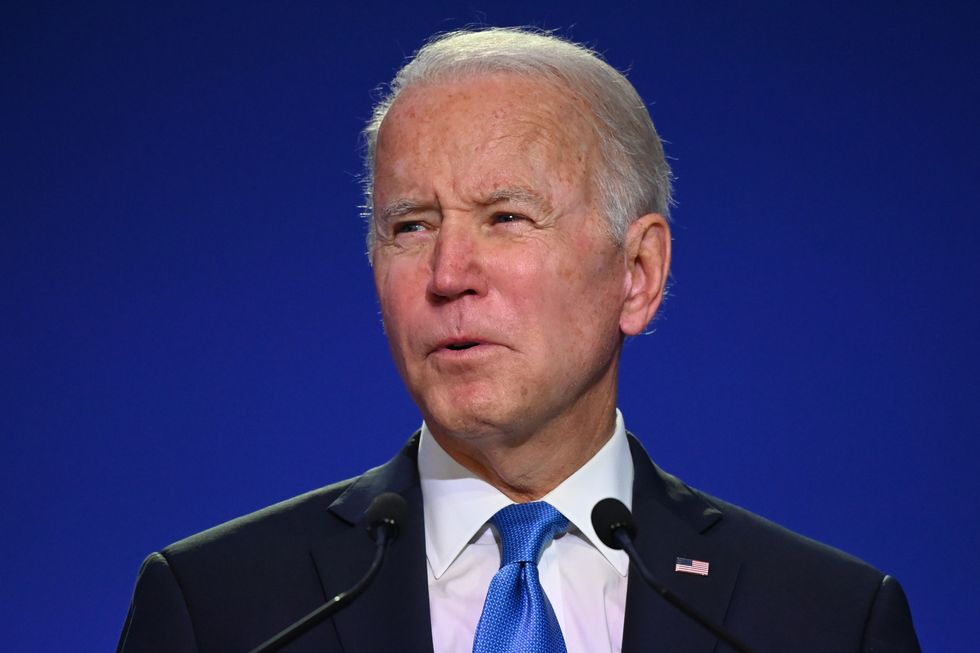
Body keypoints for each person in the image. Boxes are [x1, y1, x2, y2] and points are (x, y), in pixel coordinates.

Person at [117, 27, 920, 653]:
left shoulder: (823, 619)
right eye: (411, 224)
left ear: (638, 273)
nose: (448, 272)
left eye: (506, 217)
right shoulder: (222, 608)